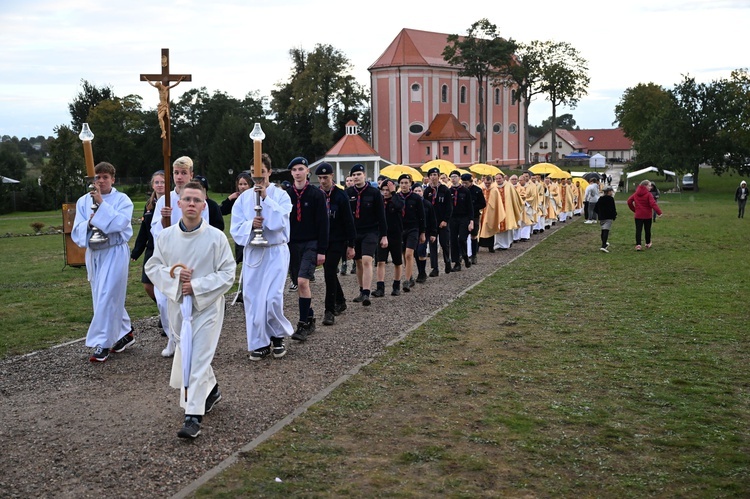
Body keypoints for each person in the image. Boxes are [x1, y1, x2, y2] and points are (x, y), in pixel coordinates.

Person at [144, 181, 236, 439]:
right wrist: (176, 281)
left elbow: (228, 274)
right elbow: (153, 267)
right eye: (188, 200)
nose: (192, 204)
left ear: (204, 205)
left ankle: (193, 415)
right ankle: (213, 390)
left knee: (197, 358)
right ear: (179, 204)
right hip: (178, 308)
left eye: (197, 200)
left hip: (207, 306)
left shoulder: (216, 238)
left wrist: (196, 286)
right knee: (189, 352)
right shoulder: (166, 236)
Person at [230, 153, 295, 360]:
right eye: (253, 175)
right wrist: (251, 225)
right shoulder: (244, 199)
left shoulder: (281, 195)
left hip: (275, 250)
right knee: (254, 298)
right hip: (254, 253)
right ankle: (259, 341)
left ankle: (277, 336)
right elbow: (236, 228)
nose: (258, 180)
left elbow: (280, 223)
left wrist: (266, 198)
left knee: (273, 297)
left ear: (269, 172)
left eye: (262, 174)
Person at [151, 156, 213, 358]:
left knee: (187, 301)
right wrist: (163, 219)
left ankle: (188, 339)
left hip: (191, 257)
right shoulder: (164, 199)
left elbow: (204, 228)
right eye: (176, 173)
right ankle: (172, 337)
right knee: (165, 300)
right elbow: (155, 230)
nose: (179, 177)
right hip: (171, 259)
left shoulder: (197, 199)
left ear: (191, 174)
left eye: (183, 173)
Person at [72, 162, 134, 362]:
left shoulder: (122, 199)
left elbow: (120, 223)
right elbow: (77, 228)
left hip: (115, 251)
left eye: (105, 177)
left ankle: (103, 344)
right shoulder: (83, 201)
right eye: (97, 177)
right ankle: (126, 332)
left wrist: (101, 204)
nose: (100, 181)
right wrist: (89, 222)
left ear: (113, 179)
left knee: (107, 295)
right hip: (94, 252)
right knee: (103, 296)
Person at [282, 157, 328, 342]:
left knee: (302, 281)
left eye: (301, 168)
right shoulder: (286, 195)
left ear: (307, 171)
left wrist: (322, 250)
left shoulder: (316, 194)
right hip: (292, 244)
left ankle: (302, 324)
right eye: (294, 170)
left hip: (311, 243)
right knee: (296, 281)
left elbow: (323, 224)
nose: (297, 172)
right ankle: (309, 316)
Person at [316, 163, 356, 326]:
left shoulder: (340, 195)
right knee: (329, 272)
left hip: (337, 240)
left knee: (329, 272)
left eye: (325, 177)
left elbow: (348, 220)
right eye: (320, 178)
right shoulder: (317, 195)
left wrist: (351, 244)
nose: (323, 181)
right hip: (321, 240)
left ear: (332, 176)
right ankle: (340, 299)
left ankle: (329, 310)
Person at [346, 163, 388, 306]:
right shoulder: (348, 193)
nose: (356, 177)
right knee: (358, 262)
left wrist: (384, 235)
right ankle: (361, 289)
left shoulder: (374, 192)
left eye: (359, 174)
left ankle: (366, 292)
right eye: (354, 175)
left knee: (366, 260)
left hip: (370, 231)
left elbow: (381, 215)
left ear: (364, 175)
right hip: (354, 231)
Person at [131, 170, 166, 307]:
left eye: (163, 182)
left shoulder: (172, 201)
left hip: (166, 247)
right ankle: (162, 308)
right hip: (152, 248)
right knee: (147, 284)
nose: (160, 185)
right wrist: (137, 251)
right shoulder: (149, 205)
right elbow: (144, 230)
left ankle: (169, 312)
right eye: (157, 182)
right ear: (152, 185)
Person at [373, 179, 404, 297]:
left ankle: (396, 286)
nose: (385, 192)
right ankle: (380, 287)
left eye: (387, 190)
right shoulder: (379, 201)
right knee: (381, 261)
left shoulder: (396, 199)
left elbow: (400, 206)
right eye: (383, 190)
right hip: (382, 234)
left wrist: (394, 193)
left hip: (395, 234)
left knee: (397, 261)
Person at [423, 167, 452, 276]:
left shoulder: (445, 190)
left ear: (438, 176)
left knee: (445, 243)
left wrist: (445, 220)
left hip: (442, 222)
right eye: (431, 175)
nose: (433, 177)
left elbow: (449, 207)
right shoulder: (427, 191)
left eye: (435, 175)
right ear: (429, 177)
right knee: (432, 246)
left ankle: (447, 261)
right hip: (432, 224)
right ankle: (434, 268)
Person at [220, 172, 253, 263]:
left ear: (249, 185)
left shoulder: (254, 197)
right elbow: (222, 211)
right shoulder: (235, 199)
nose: (243, 187)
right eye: (240, 184)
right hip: (240, 230)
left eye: (245, 184)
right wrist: (229, 199)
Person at [448, 170, 474, 270]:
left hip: (464, 218)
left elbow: (470, 207)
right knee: (453, 240)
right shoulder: (448, 191)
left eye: (455, 176)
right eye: (452, 177)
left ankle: (465, 256)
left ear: (459, 178)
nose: (453, 178)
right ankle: (456, 262)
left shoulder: (465, 191)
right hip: (452, 218)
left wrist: (471, 221)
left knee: (462, 239)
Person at [627, 179, 663, 251]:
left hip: (638, 215)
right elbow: (653, 204)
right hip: (647, 215)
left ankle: (638, 244)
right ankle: (647, 243)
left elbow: (629, 201)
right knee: (647, 230)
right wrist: (659, 212)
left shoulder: (636, 194)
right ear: (645, 186)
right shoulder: (648, 195)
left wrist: (634, 210)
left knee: (638, 230)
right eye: (649, 186)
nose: (651, 187)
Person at [412, 183, 435, 283]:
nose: (417, 193)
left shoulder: (427, 204)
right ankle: (421, 271)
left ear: (422, 192)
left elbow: (433, 219)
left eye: (419, 191)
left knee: (421, 250)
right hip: (413, 231)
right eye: (415, 191)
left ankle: (422, 272)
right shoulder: (410, 203)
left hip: (425, 231)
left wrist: (433, 233)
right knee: (416, 252)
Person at [462, 173, 485, 264]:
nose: (464, 185)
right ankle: (462, 254)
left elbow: (483, 204)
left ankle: (474, 255)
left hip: (474, 215)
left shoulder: (477, 190)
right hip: (463, 216)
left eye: (466, 183)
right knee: (462, 236)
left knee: (473, 235)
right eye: (463, 183)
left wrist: (472, 207)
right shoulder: (461, 190)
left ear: (471, 182)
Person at [594, 186, 617, 253]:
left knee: (603, 230)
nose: (612, 192)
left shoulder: (600, 199)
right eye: (611, 191)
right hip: (608, 217)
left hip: (601, 217)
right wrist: (614, 215)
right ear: (608, 192)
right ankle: (603, 245)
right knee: (606, 230)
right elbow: (613, 208)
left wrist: (599, 213)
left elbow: (596, 208)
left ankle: (604, 243)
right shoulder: (610, 199)